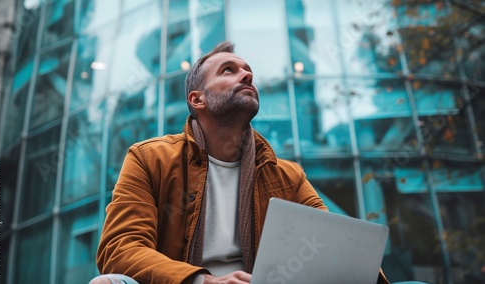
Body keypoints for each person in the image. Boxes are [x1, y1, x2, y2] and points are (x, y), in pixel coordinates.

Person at [92, 41, 389, 284]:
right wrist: (204, 281)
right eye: (228, 70)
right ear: (197, 100)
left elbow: (333, 244)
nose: (247, 76)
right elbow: (120, 249)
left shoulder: (287, 175)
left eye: (248, 71)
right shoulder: (149, 159)